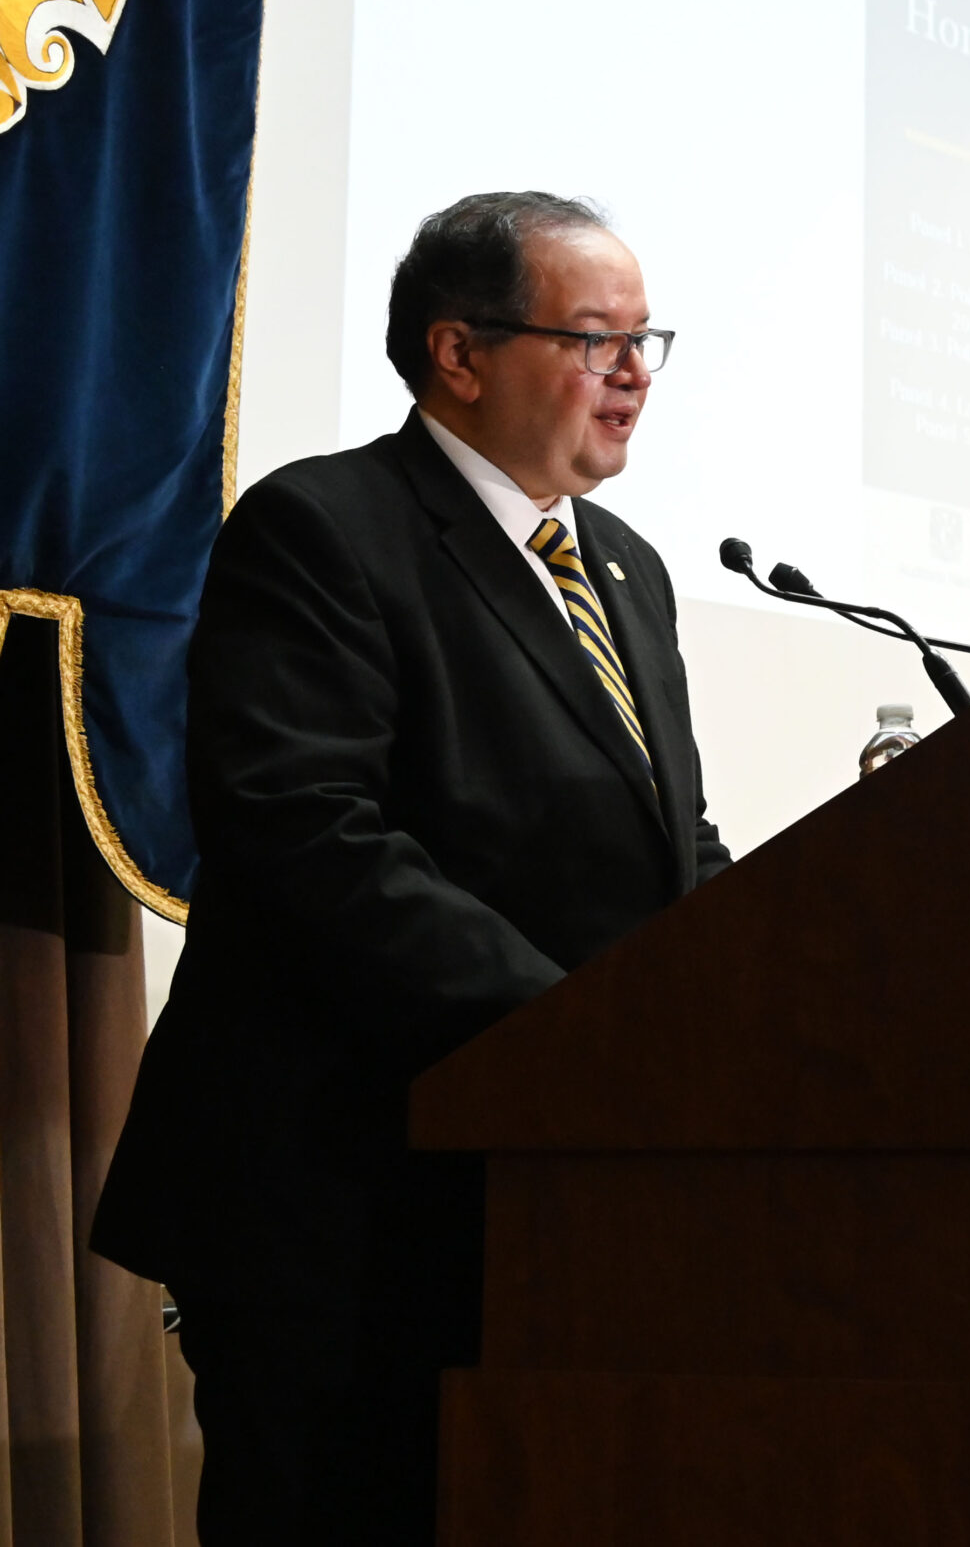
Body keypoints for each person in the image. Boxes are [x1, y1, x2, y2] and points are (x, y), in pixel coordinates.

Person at [91, 193, 729, 1546]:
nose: (634, 376)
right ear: (459, 353)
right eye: (598, 339)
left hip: (539, 1197)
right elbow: (306, 827)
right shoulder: (326, 527)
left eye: (645, 342)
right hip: (342, 1197)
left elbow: (674, 844)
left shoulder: (628, 569)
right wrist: (573, 1031)